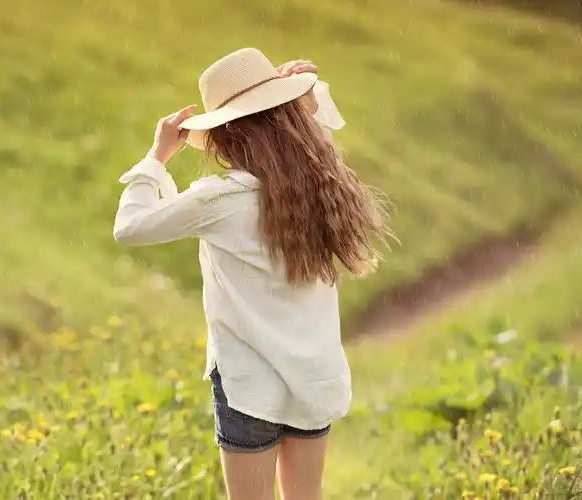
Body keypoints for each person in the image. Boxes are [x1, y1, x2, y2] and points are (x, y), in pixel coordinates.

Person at [113, 48, 392, 500]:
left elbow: (129, 228)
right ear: (291, 119)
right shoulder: (324, 184)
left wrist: (156, 157)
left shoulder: (219, 200)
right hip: (313, 374)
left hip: (250, 383)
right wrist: (308, 97)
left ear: (223, 137)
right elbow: (319, 140)